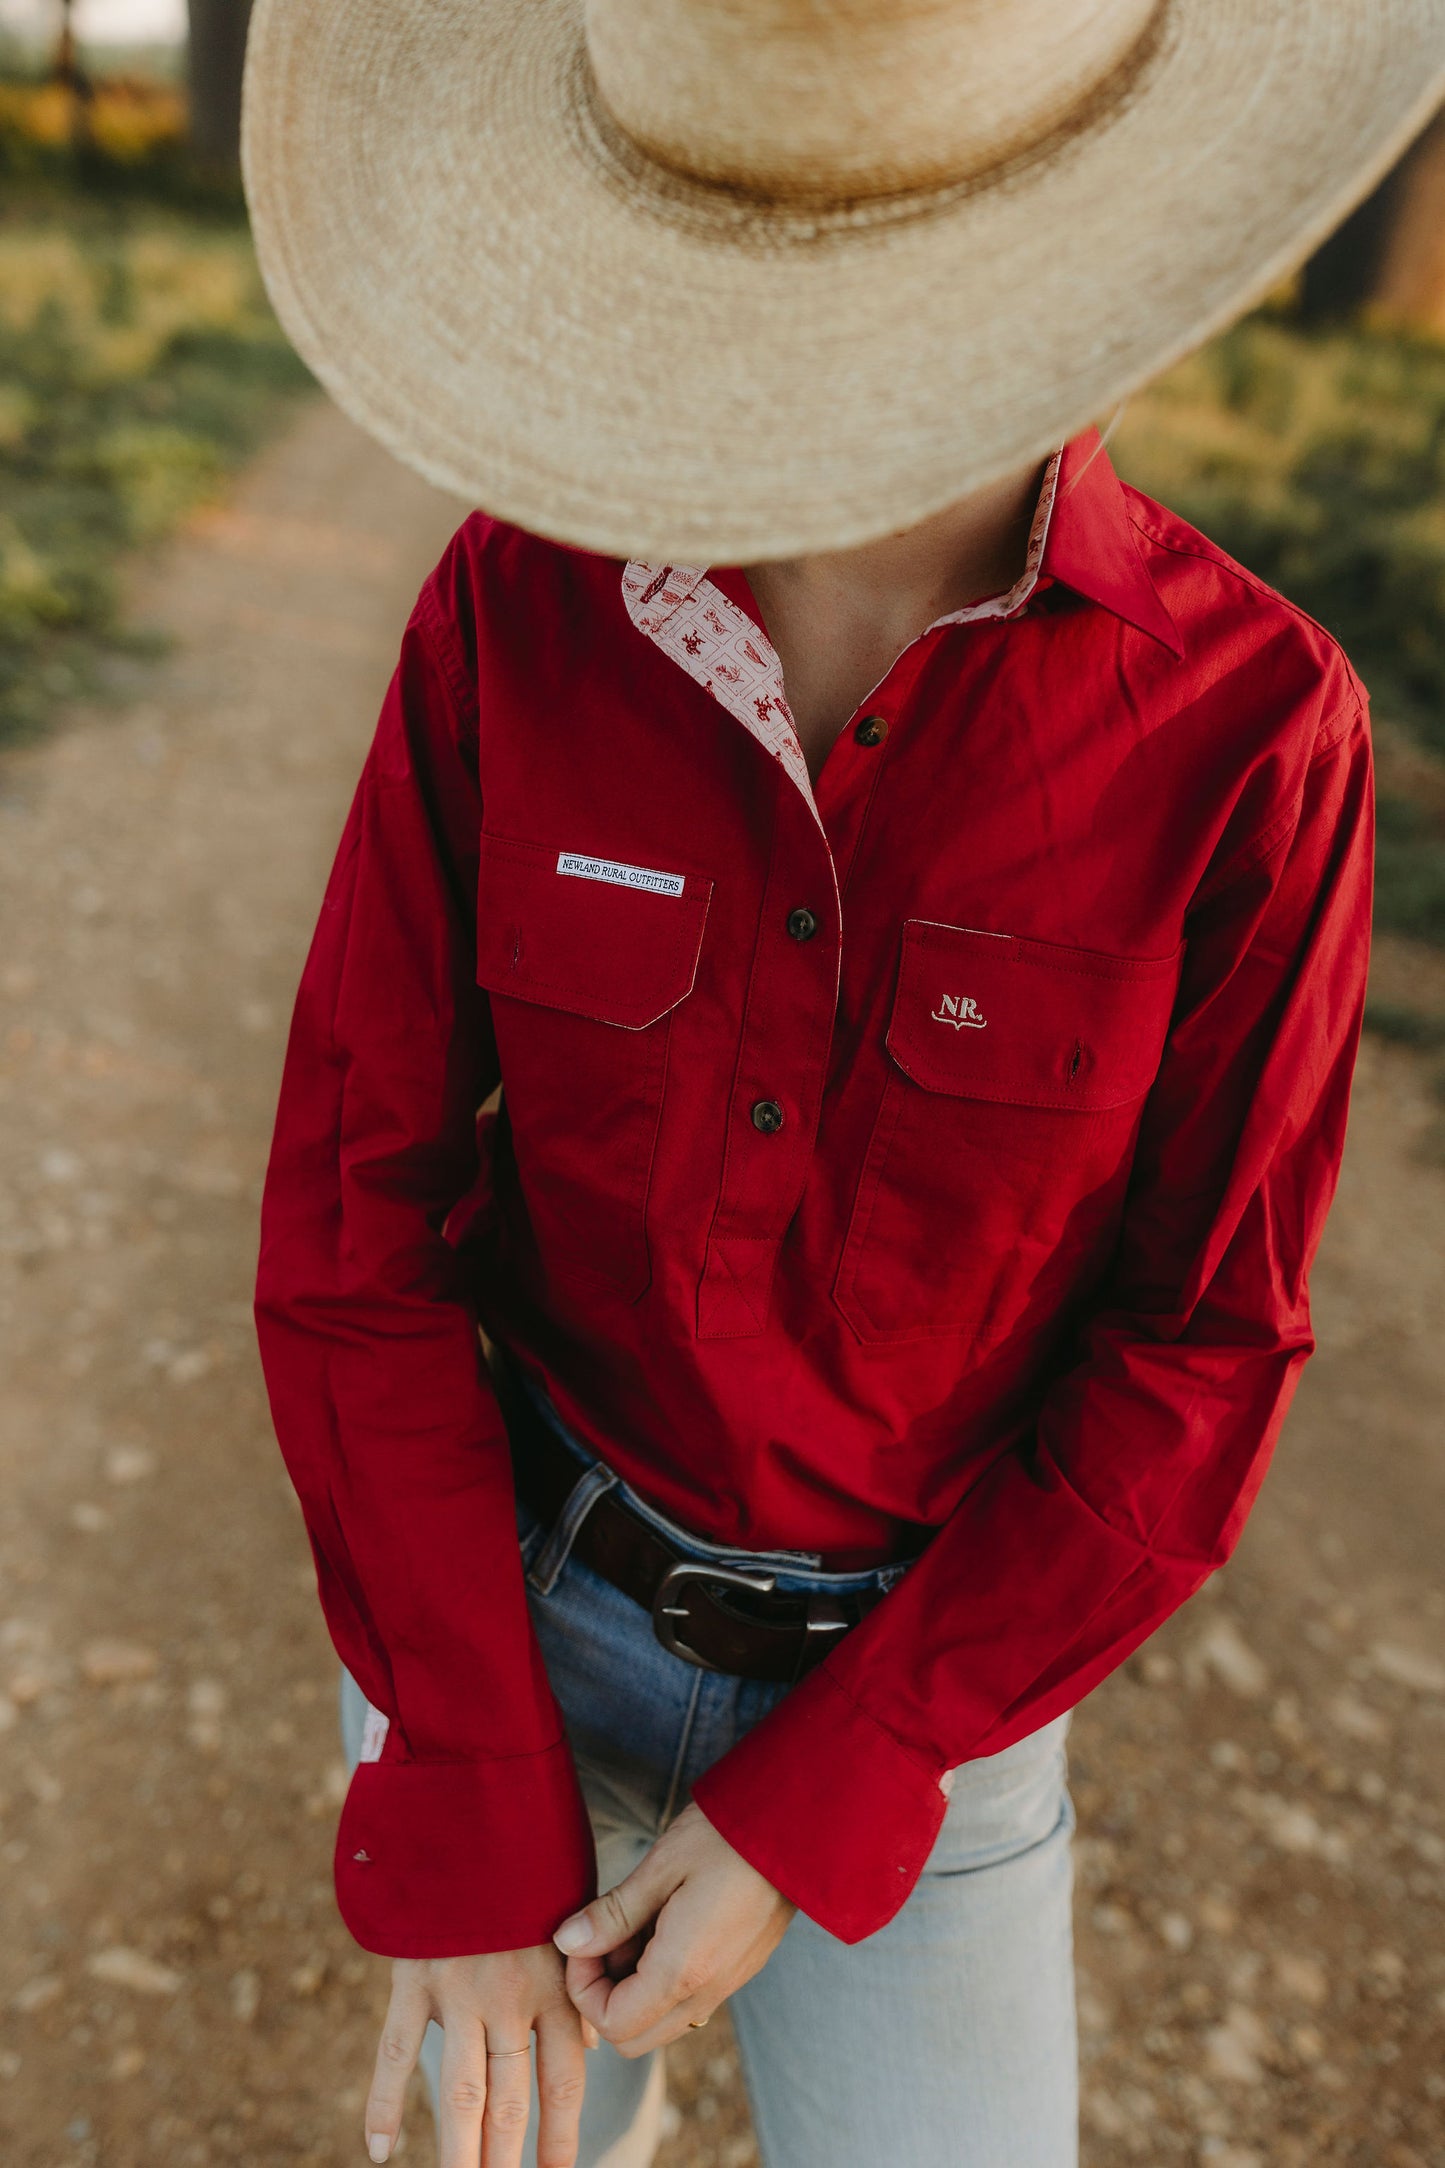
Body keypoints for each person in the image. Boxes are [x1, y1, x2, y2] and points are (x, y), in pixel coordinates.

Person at [244, 2, 1445, 2164]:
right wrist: (467, 1776)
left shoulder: (1257, 732)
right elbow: (355, 1223)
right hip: (504, 1627)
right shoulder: (518, 606)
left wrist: (833, 1794)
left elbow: (1196, 1358)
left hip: (920, 1707)